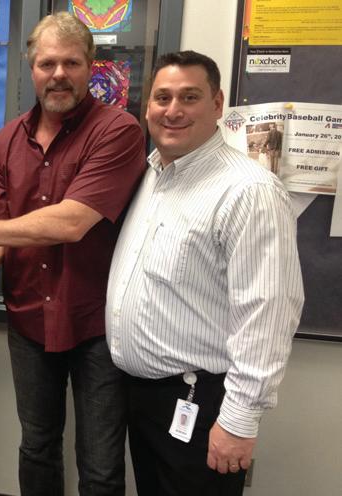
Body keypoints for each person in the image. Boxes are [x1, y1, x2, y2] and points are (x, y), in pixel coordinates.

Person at [0, 13, 146, 496]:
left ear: (90, 66)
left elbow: (71, 222)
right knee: (36, 447)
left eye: (71, 63)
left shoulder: (117, 131)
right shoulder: (6, 142)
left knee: (100, 465)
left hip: (97, 324)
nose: (58, 74)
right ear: (31, 67)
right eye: (47, 63)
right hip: (29, 320)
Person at [105, 50, 304, 496]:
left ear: (217, 105)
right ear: (147, 107)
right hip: (144, 398)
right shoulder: (153, 174)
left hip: (201, 400)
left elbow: (269, 313)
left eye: (189, 97)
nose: (173, 110)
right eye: (162, 98)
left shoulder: (249, 191)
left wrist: (238, 421)